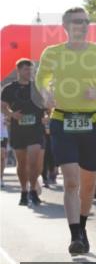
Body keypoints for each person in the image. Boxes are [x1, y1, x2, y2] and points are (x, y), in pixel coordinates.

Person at [35, 7, 96, 255]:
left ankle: (82, 228)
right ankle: (75, 236)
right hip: (62, 121)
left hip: (93, 123)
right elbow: (41, 79)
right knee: (71, 180)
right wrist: (46, 93)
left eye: (86, 21)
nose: (82, 25)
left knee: (88, 184)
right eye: (77, 21)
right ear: (65, 25)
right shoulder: (52, 53)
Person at [2, 59, 46, 206]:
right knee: (22, 163)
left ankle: (33, 189)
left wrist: (47, 117)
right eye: (26, 69)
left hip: (36, 129)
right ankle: (24, 191)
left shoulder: (37, 87)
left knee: (34, 162)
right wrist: (11, 114)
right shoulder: (9, 88)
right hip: (18, 130)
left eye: (31, 70)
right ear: (19, 70)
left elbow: (47, 106)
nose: (29, 72)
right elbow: (3, 106)